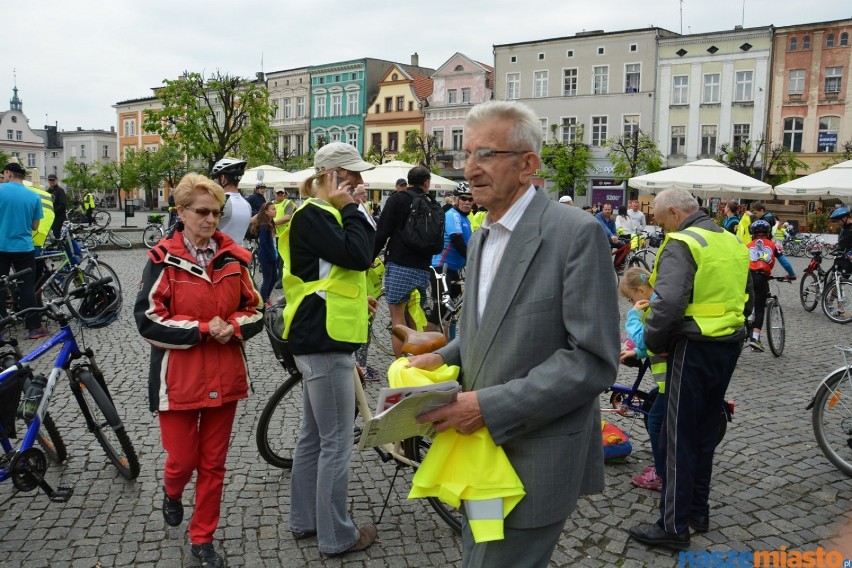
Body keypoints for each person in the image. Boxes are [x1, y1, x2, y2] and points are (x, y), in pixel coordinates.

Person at [408, 100, 619, 568]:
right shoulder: (484, 232)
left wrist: (486, 406)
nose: (469, 169)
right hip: (479, 453)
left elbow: (592, 359)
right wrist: (445, 356)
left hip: (532, 457)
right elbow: (490, 326)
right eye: (466, 155)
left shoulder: (576, 234)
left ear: (528, 165)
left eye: (485, 155)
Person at [134, 173, 263, 568]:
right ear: (182, 212)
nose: (210, 220)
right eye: (202, 212)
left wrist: (236, 326)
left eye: (216, 213)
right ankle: (172, 492)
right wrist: (206, 329)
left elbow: (255, 308)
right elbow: (148, 320)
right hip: (178, 380)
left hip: (226, 376)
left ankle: (202, 537)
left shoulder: (234, 257)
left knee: (213, 464)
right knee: (183, 460)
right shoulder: (162, 259)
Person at [628, 188, 751, 551]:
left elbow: (667, 304)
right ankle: (698, 511)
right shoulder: (729, 240)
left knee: (678, 436)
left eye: (661, 219)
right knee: (703, 432)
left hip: (693, 346)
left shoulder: (683, 242)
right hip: (727, 343)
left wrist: (650, 342)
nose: (660, 225)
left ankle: (673, 527)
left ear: (674, 213)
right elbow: (744, 294)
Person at [280, 142, 377, 557]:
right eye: (351, 175)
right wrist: (354, 208)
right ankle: (337, 535)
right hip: (324, 340)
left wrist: (357, 298)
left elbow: (337, 270)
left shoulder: (316, 214)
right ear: (331, 175)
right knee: (335, 440)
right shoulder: (318, 213)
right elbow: (359, 254)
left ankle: (304, 520)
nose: (358, 183)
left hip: (318, 335)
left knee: (315, 435)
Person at [373, 165, 435, 356]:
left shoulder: (397, 199)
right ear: (426, 183)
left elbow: (383, 231)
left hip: (399, 263)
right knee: (415, 313)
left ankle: (400, 364)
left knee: (398, 317)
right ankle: (417, 360)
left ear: (408, 181)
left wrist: (370, 256)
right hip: (423, 266)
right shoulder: (430, 202)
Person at [618, 267, 665, 493]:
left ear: (641, 290)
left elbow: (645, 340)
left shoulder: (652, 307)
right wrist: (636, 354)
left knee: (656, 422)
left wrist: (632, 316)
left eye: (630, 298)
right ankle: (662, 465)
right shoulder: (659, 301)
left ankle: (662, 474)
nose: (631, 302)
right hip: (668, 379)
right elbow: (651, 345)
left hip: (671, 378)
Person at [0, 162, 48, 339]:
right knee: (27, 286)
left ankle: (2, 326)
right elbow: (35, 225)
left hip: (1, 246)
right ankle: (33, 327)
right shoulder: (33, 196)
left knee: (0, 286)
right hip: (23, 247)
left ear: (8, 173)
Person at [744, 220, 796, 352]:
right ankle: (755, 339)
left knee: (745, 303)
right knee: (760, 308)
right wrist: (791, 274)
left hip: (746, 277)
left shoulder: (747, 245)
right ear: (768, 234)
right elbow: (785, 262)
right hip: (761, 277)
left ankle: (744, 321)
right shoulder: (773, 245)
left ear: (752, 234)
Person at [428, 182, 473, 329]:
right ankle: (421, 344)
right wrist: (475, 260)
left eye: (470, 199)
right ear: (456, 199)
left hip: (453, 270)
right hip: (441, 267)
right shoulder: (453, 215)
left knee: (452, 311)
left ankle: (445, 347)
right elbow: (458, 243)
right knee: (440, 311)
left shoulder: (465, 218)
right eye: (464, 198)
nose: (467, 202)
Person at [210, 157, 251, 246]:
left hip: (216, 256)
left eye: (214, 178)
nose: (213, 182)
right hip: (238, 257)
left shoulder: (220, 202)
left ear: (223, 178)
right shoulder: (247, 205)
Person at [251, 201, 279, 305]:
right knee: (267, 280)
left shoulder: (271, 223)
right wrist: (270, 254)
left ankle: (266, 297)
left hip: (272, 255)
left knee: (274, 278)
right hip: (266, 256)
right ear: (266, 212)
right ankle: (262, 302)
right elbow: (262, 241)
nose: (275, 211)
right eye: (273, 209)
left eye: (275, 208)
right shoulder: (264, 225)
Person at [596, 203, 630, 267]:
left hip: (610, 239)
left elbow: (614, 231)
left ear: (611, 210)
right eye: (605, 209)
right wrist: (611, 235)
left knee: (623, 245)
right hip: (600, 239)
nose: (607, 211)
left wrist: (616, 237)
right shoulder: (598, 216)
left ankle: (617, 265)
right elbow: (603, 227)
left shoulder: (612, 219)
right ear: (602, 209)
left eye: (609, 209)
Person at [829, 206, 851, 276]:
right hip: (841, 258)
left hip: (848, 260)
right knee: (833, 281)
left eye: (838, 221)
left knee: (839, 281)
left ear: (844, 218)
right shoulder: (843, 228)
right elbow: (843, 241)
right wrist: (835, 245)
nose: (837, 223)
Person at [47, 174, 68, 240]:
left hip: (59, 215)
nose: (51, 181)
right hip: (51, 215)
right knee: (50, 231)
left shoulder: (60, 190)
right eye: (50, 180)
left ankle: (59, 246)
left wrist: (54, 211)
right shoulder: (48, 191)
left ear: (56, 180)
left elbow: (63, 204)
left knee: (56, 232)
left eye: (53, 180)